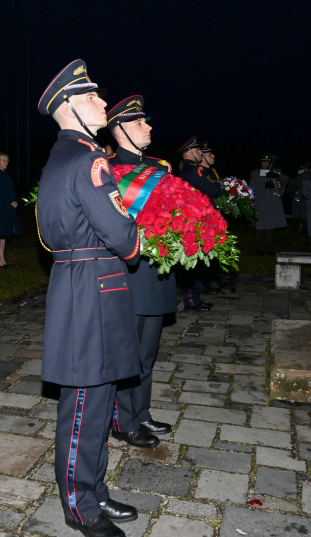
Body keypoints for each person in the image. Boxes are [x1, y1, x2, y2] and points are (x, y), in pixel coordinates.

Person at [37, 60, 142, 537]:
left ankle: (95, 491)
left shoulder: (63, 158)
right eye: (93, 96)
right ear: (70, 106)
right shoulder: (88, 161)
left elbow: (49, 234)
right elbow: (122, 234)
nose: (102, 102)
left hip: (83, 284)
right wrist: (136, 237)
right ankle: (79, 506)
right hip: (91, 289)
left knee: (98, 402)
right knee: (82, 405)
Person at [105, 95, 177, 451]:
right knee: (126, 353)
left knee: (147, 353)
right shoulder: (106, 169)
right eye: (139, 123)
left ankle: (141, 411)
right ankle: (124, 422)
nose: (148, 127)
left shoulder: (159, 167)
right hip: (129, 273)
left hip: (157, 272)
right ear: (119, 131)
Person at [177, 136, 220, 311]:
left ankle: (195, 297)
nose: (200, 153)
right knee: (193, 262)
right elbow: (215, 189)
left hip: (196, 217)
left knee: (198, 260)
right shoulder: (195, 170)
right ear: (189, 154)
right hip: (196, 219)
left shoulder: (190, 170)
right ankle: (192, 300)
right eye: (197, 151)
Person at [249, 154, 290, 255]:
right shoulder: (256, 172)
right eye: (264, 162)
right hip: (261, 203)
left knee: (270, 228)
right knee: (260, 228)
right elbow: (251, 185)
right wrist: (265, 185)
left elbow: (287, 180)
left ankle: (270, 249)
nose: (266, 164)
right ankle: (260, 249)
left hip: (273, 203)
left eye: (268, 162)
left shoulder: (277, 171)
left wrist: (278, 176)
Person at [0, 153, 19, 267]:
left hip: (8, 209)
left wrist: (15, 201)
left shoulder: (6, 174)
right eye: (4, 160)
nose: (6, 163)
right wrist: (8, 202)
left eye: (7, 161)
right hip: (0, 208)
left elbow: (11, 190)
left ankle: (2, 257)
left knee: (4, 234)